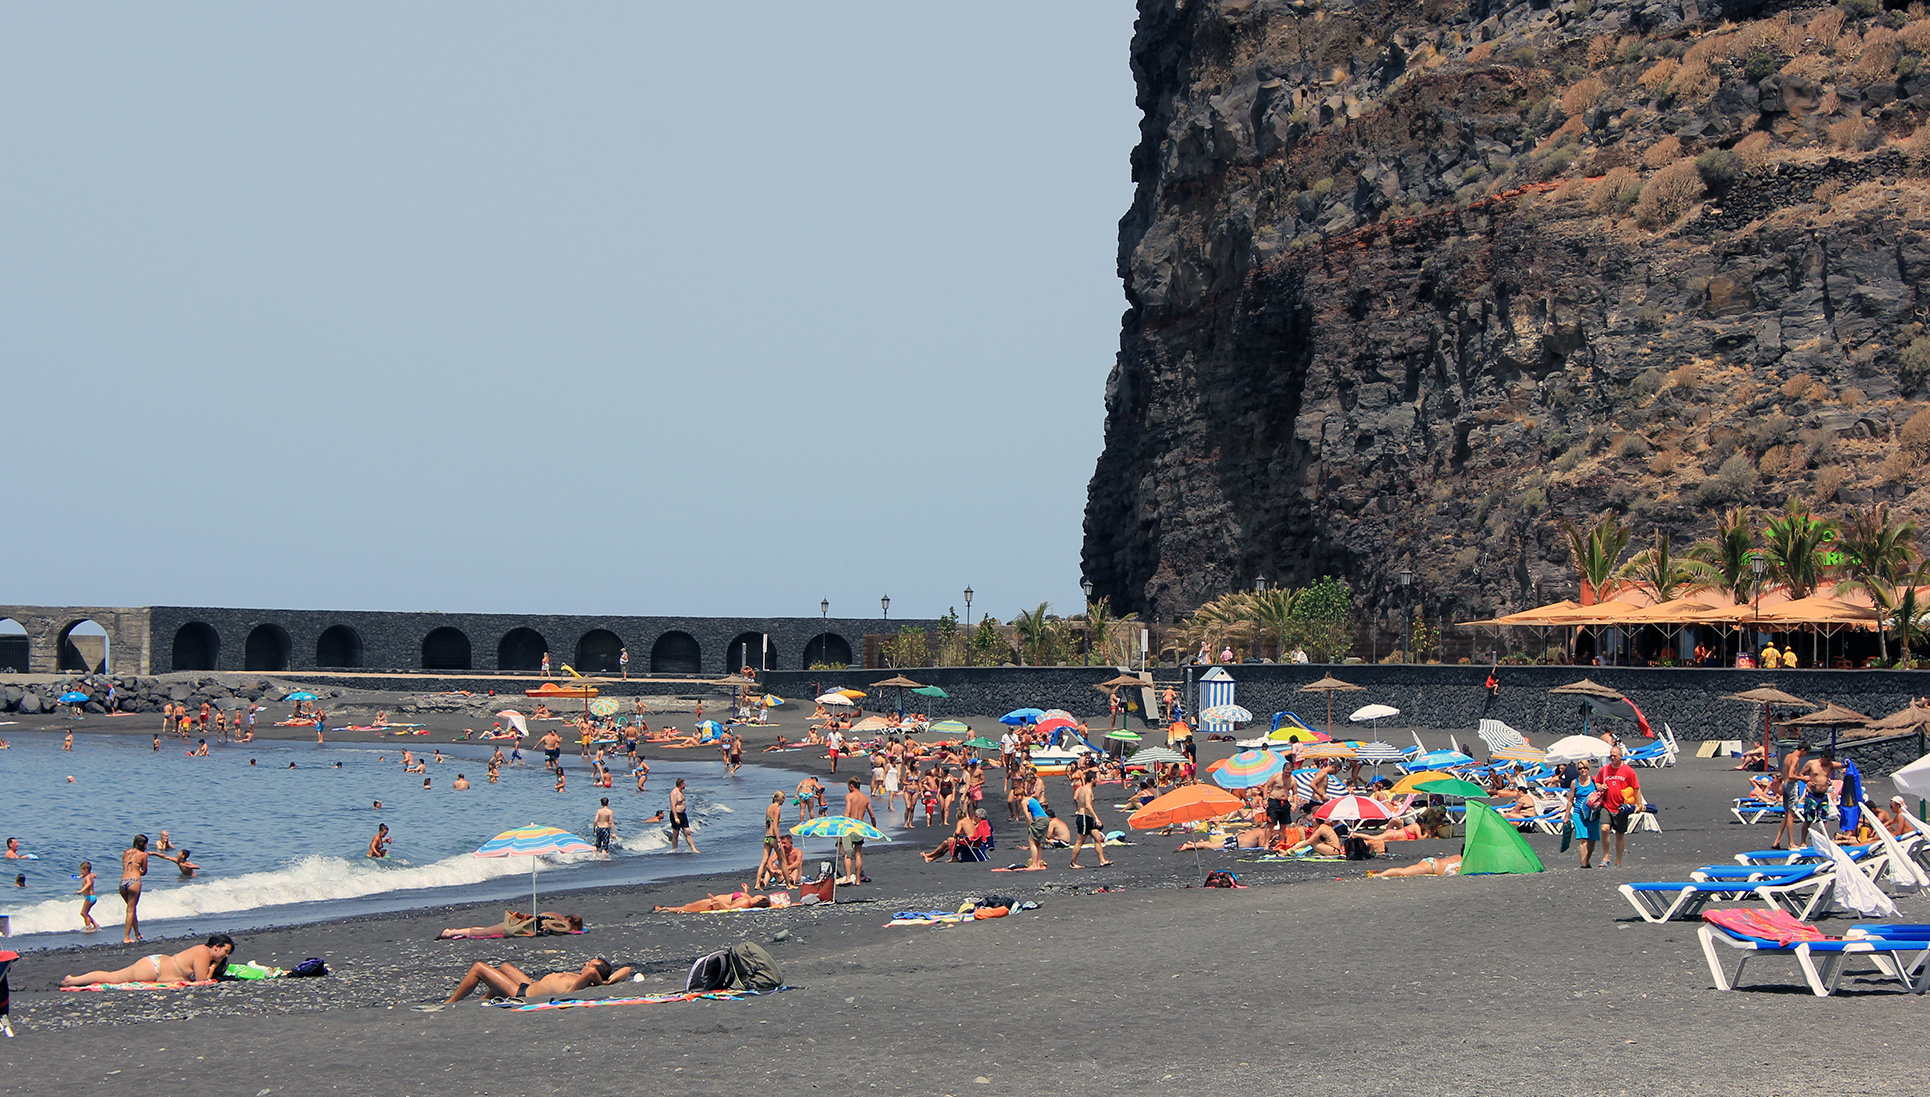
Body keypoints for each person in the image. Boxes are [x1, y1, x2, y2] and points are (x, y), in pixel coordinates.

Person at [61, 934, 235, 987]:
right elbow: (202, 980)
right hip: (154, 968)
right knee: (111, 977)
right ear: (216, 947)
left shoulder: (200, 951)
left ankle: (75, 980)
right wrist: (215, 965)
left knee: (112, 976)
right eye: (225, 952)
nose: (224, 956)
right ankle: (73, 980)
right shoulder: (203, 953)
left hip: (157, 965)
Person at [442, 957, 629, 1005]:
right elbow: (626, 970)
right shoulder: (581, 978)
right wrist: (607, 980)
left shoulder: (582, 984)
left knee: (478, 968)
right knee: (505, 967)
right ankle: (483, 1000)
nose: (586, 963)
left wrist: (604, 983)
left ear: (594, 973)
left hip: (522, 993)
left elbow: (591, 974)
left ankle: (450, 1003)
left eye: (591, 964)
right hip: (529, 985)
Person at [1596, 742, 1642, 867]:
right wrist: (1600, 787)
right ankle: (1606, 857)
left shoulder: (1628, 771)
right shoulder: (1604, 770)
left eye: (1615, 756)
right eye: (1611, 756)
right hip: (1606, 804)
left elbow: (1636, 788)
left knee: (1620, 834)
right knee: (1604, 829)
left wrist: (1639, 804)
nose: (1612, 758)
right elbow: (1597, 783)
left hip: (1621, 807)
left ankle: (1618, 861)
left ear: (1621, 756)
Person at [1068, 771, 1114, 868]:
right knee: (1080, 841)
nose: (1098, 781)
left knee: (1097, 838)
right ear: (1093, 779)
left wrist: (1078, 807)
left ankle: (1102, 860)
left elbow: (1075, 798)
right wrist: (1096, 818)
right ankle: (1073, 863)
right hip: (1084, 817)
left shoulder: (1081, 788)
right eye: (1096, 779)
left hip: (1086, 818)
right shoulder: (1088, 790)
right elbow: (1088, 806)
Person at [437, 911, 583, 938]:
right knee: (484, 932)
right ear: (569, 921)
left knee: (489, 930)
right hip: (519, 925)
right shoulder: (557, 920)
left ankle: (456, 931)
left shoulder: (555, 914)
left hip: (521, 923)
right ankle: (451, 932)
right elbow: (547, 924)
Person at [1773, 739, 1807, 851]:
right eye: (1805, 753)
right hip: (1792, 785)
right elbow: (1792, 775)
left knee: (1787, 814)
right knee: (1791, 815)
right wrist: (1803, 778)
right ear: (1802, 750)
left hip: (1785, 784)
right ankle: (1791, 843)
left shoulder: (1787, 756)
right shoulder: (1796, 759)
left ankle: (1777, 840)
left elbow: (1783, 774)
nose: (1804, 756)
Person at [842, 778, 876, 884]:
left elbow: (847, 813)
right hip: (860, 827)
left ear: (852, 785)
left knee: (848, 853)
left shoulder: (849, 796)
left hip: (850, 827)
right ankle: (857, 879)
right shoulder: (865, 798)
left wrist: (842, 826)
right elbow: (872, 815)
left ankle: (848, 877)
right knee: (858, 854)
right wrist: (874, 828)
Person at [119, 834, 150, 942]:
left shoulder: (126, 852)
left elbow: (125, 867)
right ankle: (126, 937)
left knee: (131, 909)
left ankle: (137, 933)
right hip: (134, 881)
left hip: (123, 882)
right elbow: (144, 871)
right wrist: (139, 872)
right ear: (144, 844)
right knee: (130, 910)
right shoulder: (143, 855)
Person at [1368, 855, 1462, 878]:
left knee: (1403, 871)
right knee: (1402, 872)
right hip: (1431, 867)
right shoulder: (1464, 862)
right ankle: (1378, 875)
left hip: (1432, 861)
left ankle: (1380, 875)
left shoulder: (1458, 856)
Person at [669, 778, 698, 853]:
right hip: (676, 815)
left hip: (683, 814)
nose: (685, 785)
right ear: (681, 784)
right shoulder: (674, 792)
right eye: (684, 783)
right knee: (676, 833)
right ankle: (674, 849)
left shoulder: (681, 792)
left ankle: (693, 848)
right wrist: (676, 818)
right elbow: (673, 805)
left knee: (688, 832)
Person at [77, 860, 98, 932]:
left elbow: (88, 883)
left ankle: (89, 927)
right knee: (85, 913)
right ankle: (95, 924)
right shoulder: (90, 876)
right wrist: (83, 876)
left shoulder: (88, 877)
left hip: (89, 897)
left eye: (82, 871)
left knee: (83, 913)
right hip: (93, 897)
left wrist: (81, 890)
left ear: (86, 870)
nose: (81, 872)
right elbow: (94, 875)